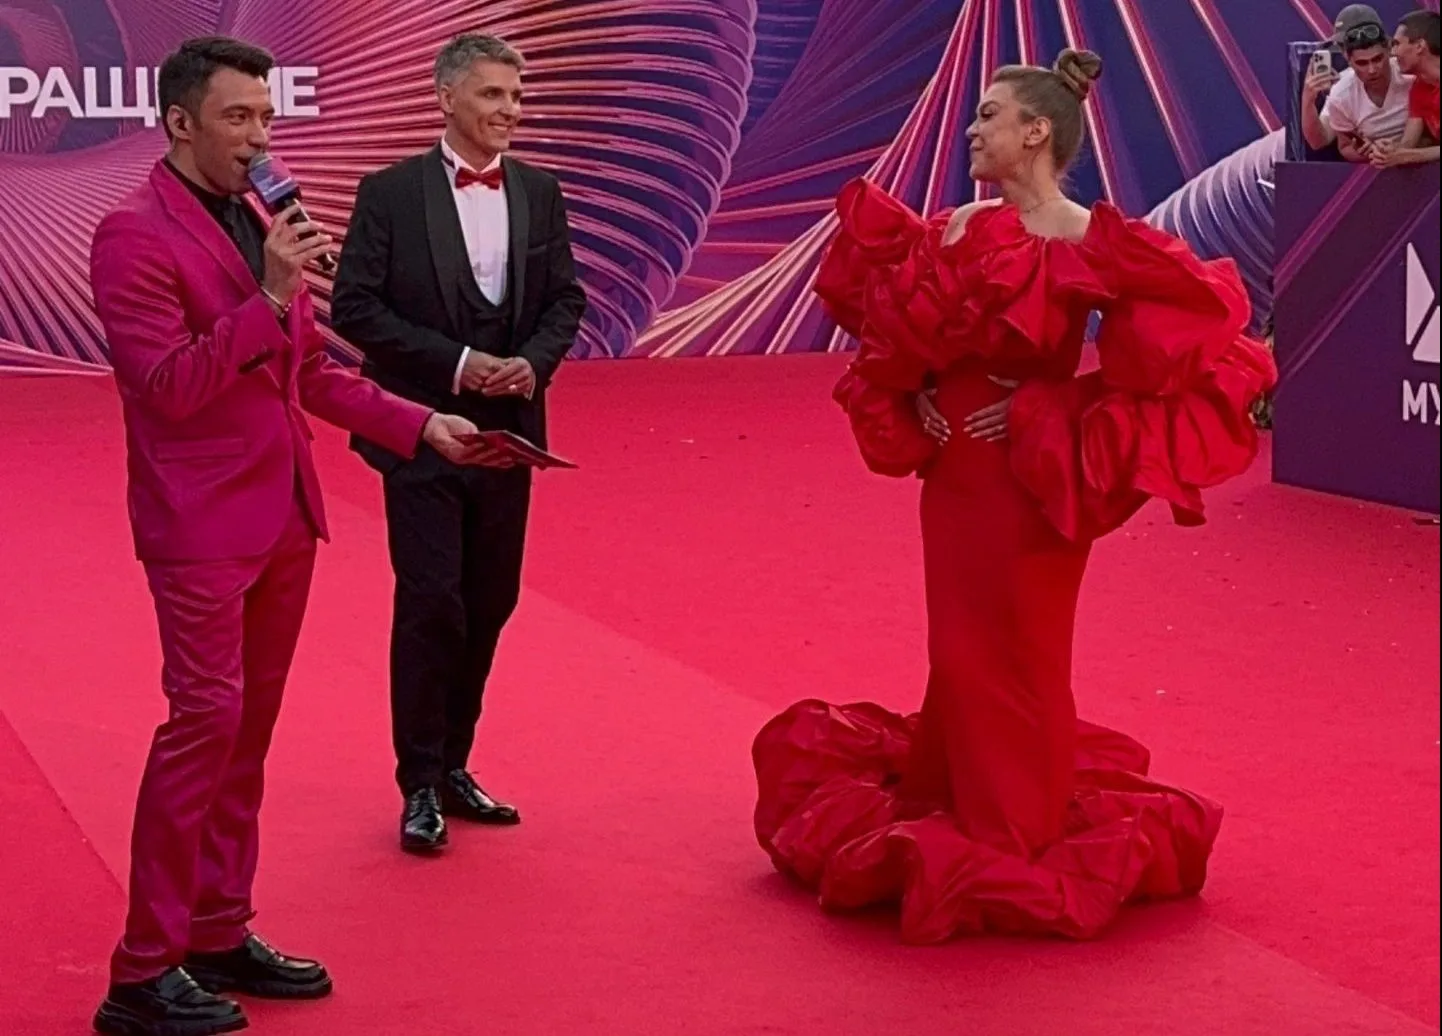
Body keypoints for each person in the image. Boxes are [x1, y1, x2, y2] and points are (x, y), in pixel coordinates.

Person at [750, 49, 1277, 943]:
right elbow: (900, 329)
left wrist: (1052, 408)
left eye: (989, 115)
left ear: (1036, 131)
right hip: (954, 477)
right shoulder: (955, 226)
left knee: (1022, 652)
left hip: (1031, 485)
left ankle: (1012, 826)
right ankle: (956, 791)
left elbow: (1198, 347)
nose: (972, 128)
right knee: (958, 649)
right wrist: (918, 387)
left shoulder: (1087, 238)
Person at [87, 35, 495, 1036]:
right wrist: (269, 294)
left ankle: (217, 928)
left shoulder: (265, 216)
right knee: (202, 727)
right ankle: (141, 971)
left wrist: (420, 423)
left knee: (246, 739)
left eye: (266, 117)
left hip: (284, 518)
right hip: (198, 527)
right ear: (179, 122)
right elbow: (167, 388)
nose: (259, 137)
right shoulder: (131, 234)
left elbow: (306, 371)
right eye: (237, 118)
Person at [331, 33, 586, 854]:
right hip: (419, 431)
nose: (511, 111)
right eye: (492, 95)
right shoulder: (389, 193)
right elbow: (356, 308)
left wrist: (531, 364)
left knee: (489, 599)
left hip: (510, 436)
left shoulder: (540, 191)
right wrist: (461, 365)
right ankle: (417, 781)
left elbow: (565, 300)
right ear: (446, 98)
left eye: (517, 96)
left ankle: (453, 766)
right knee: (431, 599)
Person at [1301, 10, 1414, 161]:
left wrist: (1408, 149)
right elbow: (1323, 142)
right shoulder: (1341, 92)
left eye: (1378, 59)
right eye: (1362, 63)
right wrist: (1307, 99)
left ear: (1388, 48)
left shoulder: (1412, 74)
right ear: (1346, 56)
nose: (1372, 70)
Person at [1374, 10, 1441, 168]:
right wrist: (1389, 149)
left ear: (1419, 46)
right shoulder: (1418, 88)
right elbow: (1408, 144)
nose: (1393, 53)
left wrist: (1408, 156)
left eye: (1397, 44)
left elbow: (1408, 154)